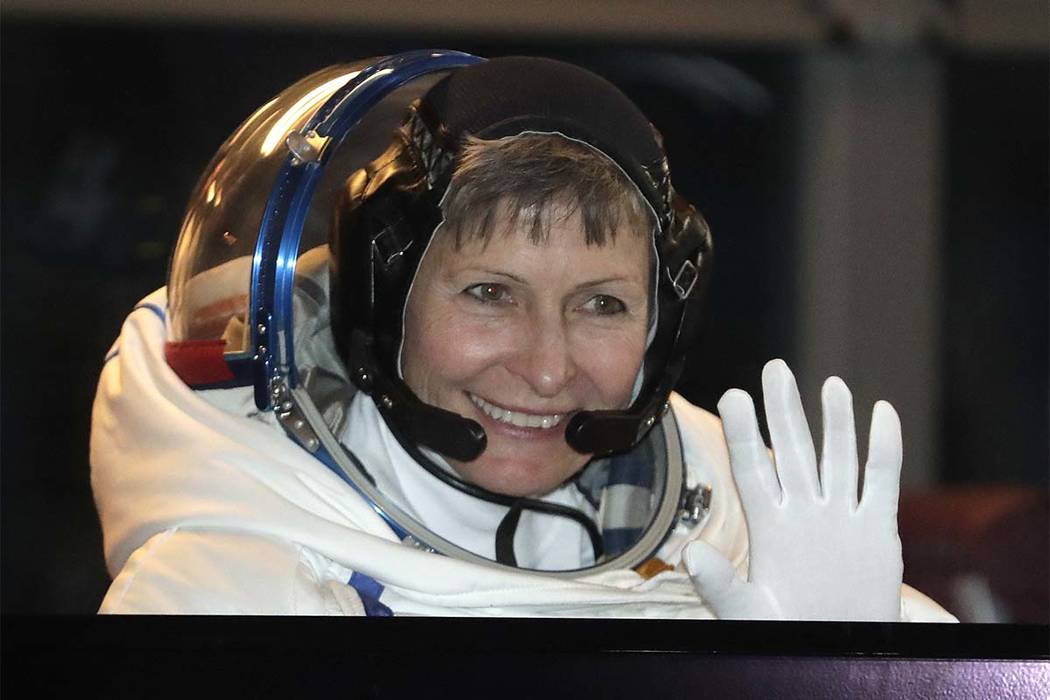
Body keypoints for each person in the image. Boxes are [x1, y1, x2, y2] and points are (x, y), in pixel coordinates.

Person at [91, 53, 954, 620]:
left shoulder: (745, 553)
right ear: (381, 307)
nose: (546, 370)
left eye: (602, 305)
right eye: (490, 294)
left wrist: (850, 673)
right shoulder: (228, 592)